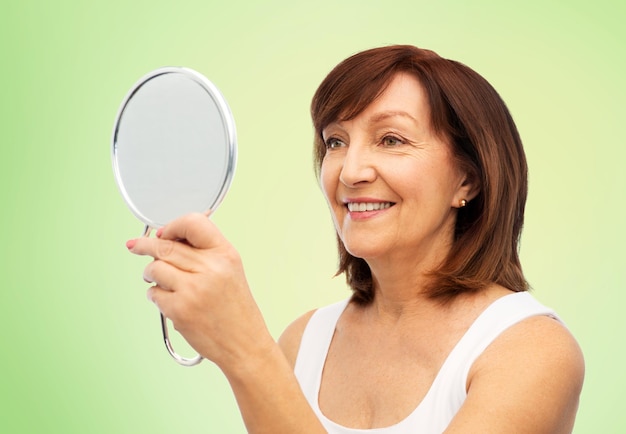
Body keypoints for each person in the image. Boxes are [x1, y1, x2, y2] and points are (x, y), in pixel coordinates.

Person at [126, 45, 584, 433]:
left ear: (467, 180)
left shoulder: (532, 350)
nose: (350, 171)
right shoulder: (304, 341)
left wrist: (246, 351)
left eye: (390, 139)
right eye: (335, 141)